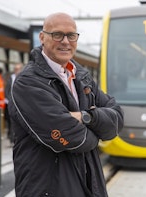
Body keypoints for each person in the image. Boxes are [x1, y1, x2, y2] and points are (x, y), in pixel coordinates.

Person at [8, 12, 124, 197]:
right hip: (49, 188)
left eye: (71, 35)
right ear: (42, 37)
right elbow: (71, 138)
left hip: (89, 183)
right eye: (57, 34)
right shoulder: (28, 83)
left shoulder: (82, 76)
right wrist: (96, 134)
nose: (65, 41)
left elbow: (116, 120)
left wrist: (87, 117)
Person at [4, 63, 23, 144]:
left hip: (20, 103)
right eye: (15, 69)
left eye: (18, 69)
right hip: (10, 103)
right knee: (11, 121)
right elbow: (6, 90)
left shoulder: (24, 77)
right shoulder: (10, 78)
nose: (16, 71)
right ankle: (12, 138)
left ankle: (15, 138)